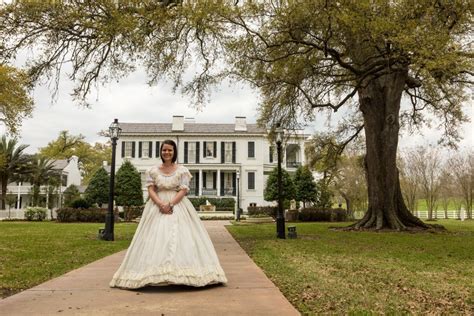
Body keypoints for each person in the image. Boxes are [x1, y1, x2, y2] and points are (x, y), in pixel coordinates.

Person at [110, 139, 227, 288]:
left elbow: (183, 190)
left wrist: (170, 204)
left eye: (170, 150)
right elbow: (151, 189)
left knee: (181, 238)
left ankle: (182, 273)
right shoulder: (153, 170)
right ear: (161, 152)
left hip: (178, 205)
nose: (167, 152)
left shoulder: (182, 170)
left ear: (174, 152)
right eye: (164, 150)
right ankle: (154, 273)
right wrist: (160, 203)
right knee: (154, 238)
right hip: (156, 206)